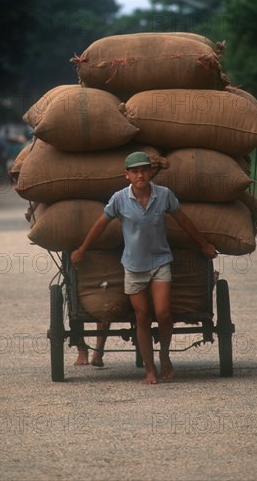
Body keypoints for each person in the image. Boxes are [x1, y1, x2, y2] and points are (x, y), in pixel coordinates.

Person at [71, 151, 216, 385]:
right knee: (143, 317)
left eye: (144, 170)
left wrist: (204, 244)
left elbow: (184, 221)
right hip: (133, 267)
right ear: (127, 175)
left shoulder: (164, 196)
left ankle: (165, 356)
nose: (140, 175)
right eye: (135, 171)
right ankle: (150, 370)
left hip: (160, 262)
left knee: (163, 312)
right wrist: (82, 249)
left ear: (150, 172)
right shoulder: (119, 199)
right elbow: (100, 224)